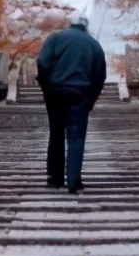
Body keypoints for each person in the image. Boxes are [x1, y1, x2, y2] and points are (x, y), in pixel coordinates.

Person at [36, 12, 106, 194]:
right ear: (85, 25)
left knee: (56, 133)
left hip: (56, 92)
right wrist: (91, 98)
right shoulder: (93, 44)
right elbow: (100, 75)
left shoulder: (55, 38)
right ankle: (74, 180)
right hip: (81, 93)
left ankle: (55, 177)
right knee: (76, 136)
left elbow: (42, 63)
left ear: (70, 23)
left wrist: (47, 87)